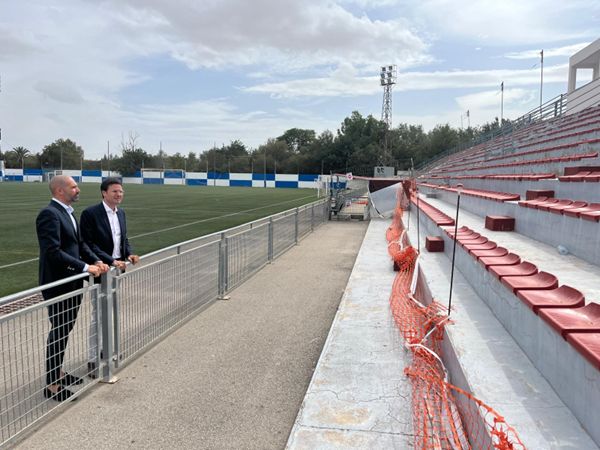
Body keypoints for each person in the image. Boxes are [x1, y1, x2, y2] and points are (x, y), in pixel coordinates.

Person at [36, 175, 109, 402]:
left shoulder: (67, 212)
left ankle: (58, 372)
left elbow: (79, 245)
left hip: (72, 281)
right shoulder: (49, 214)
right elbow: (53, 252)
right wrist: (85, 267)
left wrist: (95, 260)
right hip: (58, 284)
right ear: (60, 191)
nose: (78, 190)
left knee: (65, 330)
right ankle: (52, 385)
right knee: (58, 332)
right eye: (73, 186)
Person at [80, 177, 139, 377]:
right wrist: (110, 261)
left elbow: (124, 239)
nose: (119, 194)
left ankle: (108, 351)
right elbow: (89, 245)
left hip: (115, 270)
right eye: (115, 191)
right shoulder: (91, 213)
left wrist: (128, 253)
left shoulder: (120, 213)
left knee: (111, 312)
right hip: (101, 270)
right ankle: (92, 359)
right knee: (98, 316)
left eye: (121, 191)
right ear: (104, 193)